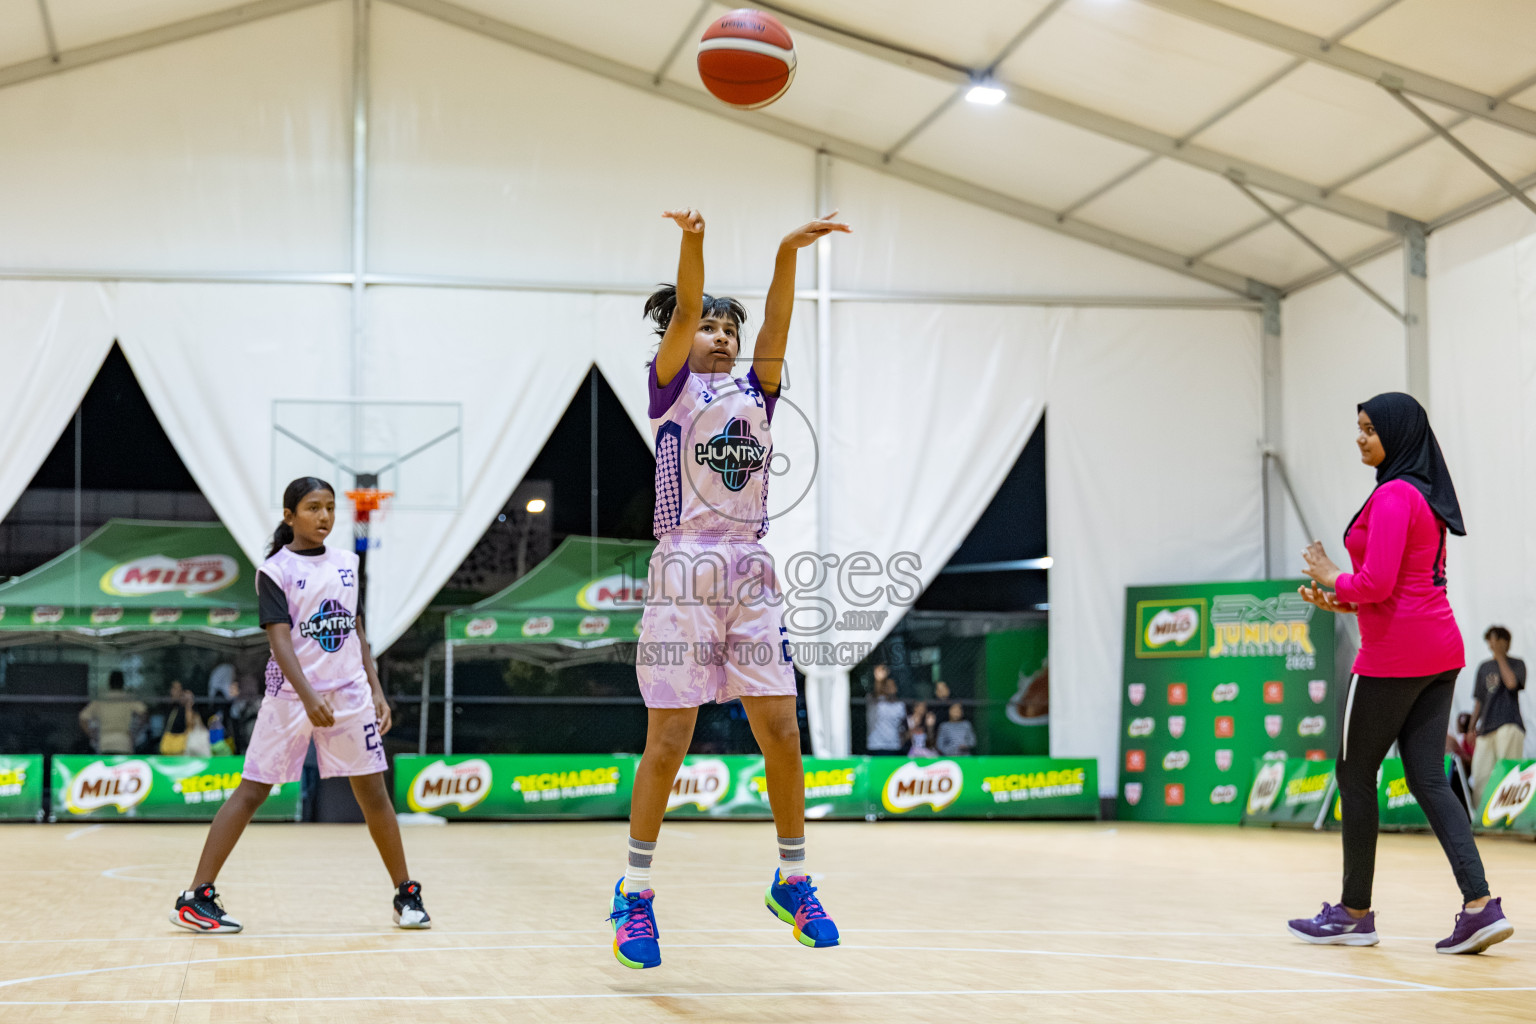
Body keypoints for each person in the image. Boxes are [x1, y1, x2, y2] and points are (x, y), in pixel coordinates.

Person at [610, 207, 850, 971]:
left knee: (781, 729)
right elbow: (683, 306)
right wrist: (694, 242)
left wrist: (787, 253)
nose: (720, 335)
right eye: (709, 326)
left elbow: (779, 323)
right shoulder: (671, 391)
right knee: (669, 741)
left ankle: (794, 880)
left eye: (727, 330)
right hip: (683, 567)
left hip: (748, 567)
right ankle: (635, 894)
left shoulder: (760, 392)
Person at [1287, 392, 1512, 955]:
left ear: (1398, 434)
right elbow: (1398, 586)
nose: (1360, 437)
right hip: (1440, 651)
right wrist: (1345, 600)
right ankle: (1481, 906)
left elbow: (1378, 584)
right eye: (1357, 428)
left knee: (1354, 773)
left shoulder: (1393, 495)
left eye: (1369, 429)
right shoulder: (1425, 496)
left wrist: (1332, 574)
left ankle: (1353, 914)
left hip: (1393, 657)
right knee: (1428, 779)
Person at [169, 477, 429, 934]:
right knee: (253, 790)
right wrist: (309, 697)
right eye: (313, 508)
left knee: (374, 794)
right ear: (290, 516)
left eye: (330, 508)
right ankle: (195, 896)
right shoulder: (275, 570)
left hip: (349, 695)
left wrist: (376, 690)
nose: (324, 516)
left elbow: (357, 634)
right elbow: (280, 642)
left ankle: (406, 894)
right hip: (292, 698)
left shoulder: (348, 563)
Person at [1468, 626, 1526, 805]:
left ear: (1505, 642)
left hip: (1509, 724)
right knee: (1480, 776)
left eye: (1496, 640)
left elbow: (1511, 683)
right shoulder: (1484, 667)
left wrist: (1500, 656)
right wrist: (1471, 728)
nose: (1492, 644)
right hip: (1486, 728)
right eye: (1490, 640)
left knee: (1508, 774)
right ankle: (1481, 822)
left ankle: (1508, 820)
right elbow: (1479, 700)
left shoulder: (1517, 663)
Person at [79, 671, 147, 755]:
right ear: (123, 683)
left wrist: (93, 736)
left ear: (109, 683)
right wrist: (135, 733)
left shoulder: (101, 700)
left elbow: (83, 718)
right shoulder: (129, 699)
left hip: (105, 742)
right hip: (124, 742)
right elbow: (144, 713)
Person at [865, 671, 906, 755]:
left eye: (892, 685)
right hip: (877, 745)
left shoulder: (900, 705)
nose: (890, 688)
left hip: (894, 746)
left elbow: (902, 726)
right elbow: (874, 695)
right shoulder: (876, 702)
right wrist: (878, 680)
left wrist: (902, 741)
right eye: (887, 686)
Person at [159, 681, 199, 755]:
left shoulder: (187, 709)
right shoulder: (170, 707)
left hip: (182, 745)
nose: (177, 692)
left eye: (179, 690)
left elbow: (190, 724)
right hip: (169, 744)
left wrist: (188, 704)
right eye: (174, 689)